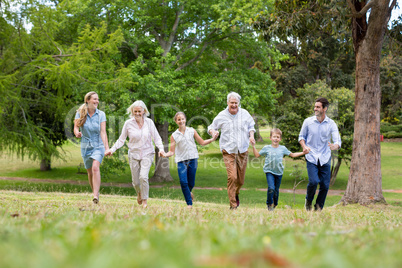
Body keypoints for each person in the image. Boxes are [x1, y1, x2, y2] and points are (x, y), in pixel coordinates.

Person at [105, 100, 164, 209]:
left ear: (144, 111)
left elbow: (156, 138)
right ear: (132, 111)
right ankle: (139, 193)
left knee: (143, 177)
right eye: (135, 111)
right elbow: (121, 139)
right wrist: (112, 150)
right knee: (136, 182)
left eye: (139, 111)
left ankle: (145, 201)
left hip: (147, 153)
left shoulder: (149, 122)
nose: (137, 113)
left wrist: (161, 149)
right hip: (133, 154)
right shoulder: (128, 123)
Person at [208, 92, 255, 209]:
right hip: (228, 150)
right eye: (232, 103)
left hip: (242, 150)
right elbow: (211, 127)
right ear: (227, 103)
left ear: (238, 103)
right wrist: (213, 132)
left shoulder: (245, 114)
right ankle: (233, 205)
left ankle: (236, 193)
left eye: (236, 103)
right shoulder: (222, 115)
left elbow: (251, 127)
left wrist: (252, 136)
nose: (234, 105)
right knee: (232, 177)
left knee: (241, 181)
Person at [162, 112, 218, 208]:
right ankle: (189, 204)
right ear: (176, 121)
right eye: (179, 119)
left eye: (182, 119)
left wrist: (212, 139)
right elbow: (171, 152)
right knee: (183, 182)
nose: (181, 121)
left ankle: (189, 193)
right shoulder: (174, 135)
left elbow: (202, 142)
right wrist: (165, 154)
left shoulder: (192, 131)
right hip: (181, 161)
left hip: (193, 159)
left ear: (185, 119)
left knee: (191, 183)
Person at [299, 97, 341, 211]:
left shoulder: (331, 124)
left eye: (318, 107)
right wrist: (304, 146)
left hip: (325, 157)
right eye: (315, 106)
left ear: (325, 108)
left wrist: (334, 146)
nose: (315, 109)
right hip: (311, 156)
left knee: (325, 185)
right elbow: (301, 137)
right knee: (313, 182)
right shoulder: (308, 122)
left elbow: (338, 141)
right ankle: (308, 201)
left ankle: (318, 207)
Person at [251, 128, 307, 211]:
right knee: (271, 188)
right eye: (274, 137)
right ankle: (269, 205)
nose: (276, 139)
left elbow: (292, 155)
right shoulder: (266, 148)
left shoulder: (283, 148)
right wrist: (253, 146)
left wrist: (303, 153)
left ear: (280, 139)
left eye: (277, 137)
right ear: (270, 138)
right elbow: (256, 155)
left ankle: (275, 204)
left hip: (279, 173)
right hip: (269, 171)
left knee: (276, 191)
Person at [74, 91, 109, 204]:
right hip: (85, 146)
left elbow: (103, 132)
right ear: (87, 100)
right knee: (89, 172)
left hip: (98, 145)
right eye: (94, 99)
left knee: (95, 168)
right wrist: (77, 133)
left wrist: (107, 148)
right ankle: (95, 192)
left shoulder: (101, 114)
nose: (97, 101)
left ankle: (95, 196)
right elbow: (75, 128)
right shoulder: (80, 113)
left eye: (97, 99)